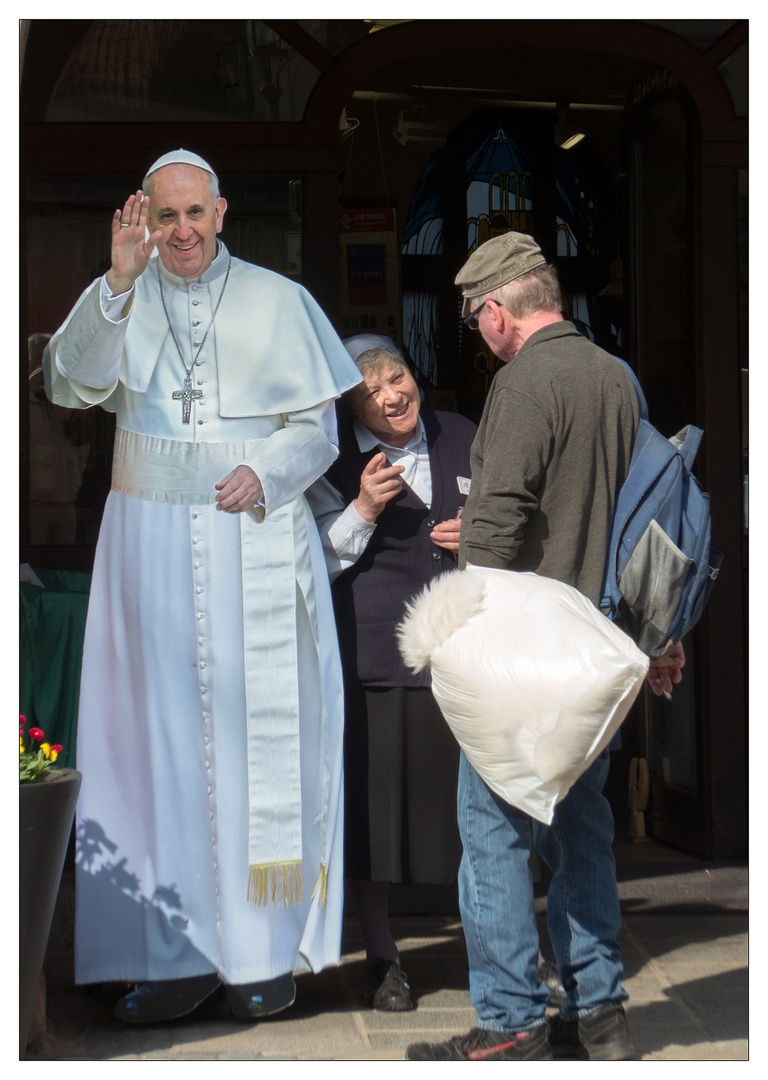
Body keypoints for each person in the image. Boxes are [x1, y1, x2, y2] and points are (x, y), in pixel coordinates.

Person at [43, 149, 362, 1025]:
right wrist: (114, 280)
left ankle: (261, 955)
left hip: (249, 536)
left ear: (221, 213)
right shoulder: (121, 290)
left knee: (257, 744)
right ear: (142, 216)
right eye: (164, 216)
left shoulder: (279, 299)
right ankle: (173, 956)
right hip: (145, 544)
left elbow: (319, 429)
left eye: (195, 214)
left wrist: (266, 471)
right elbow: (71, 380)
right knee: (155, 747)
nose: (180, 231)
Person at [405, 232, 685, 1061]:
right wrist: (656, 635)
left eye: (473, 316)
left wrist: (462, 570)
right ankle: (599, 1014)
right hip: (597, 645)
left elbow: (495, 523)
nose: (477, 331)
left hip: (526, 649)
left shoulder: (523, 383)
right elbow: (649, 517)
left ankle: (512, 1018)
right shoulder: (616, 376)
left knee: (491, 832)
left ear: (497, 311)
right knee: (583, 828)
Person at [306, 336, 476, 1011]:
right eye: (371, 389)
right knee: (374, 821)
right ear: (351, 404)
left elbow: (518, 519)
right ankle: (382, 960)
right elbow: (309, 562)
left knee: (474, 820)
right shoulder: (327, 454)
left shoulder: (461, 433)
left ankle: (500, 953)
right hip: (371, 654)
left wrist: (481, 535)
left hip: (461, 652)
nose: (391, 394)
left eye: (397, 376)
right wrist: (363, 511)